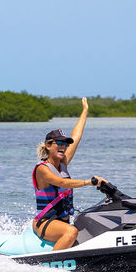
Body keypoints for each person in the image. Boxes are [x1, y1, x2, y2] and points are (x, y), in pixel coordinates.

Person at [32, 97, 107, 251]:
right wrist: (89, 182)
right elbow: (62, 183)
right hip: (46, 222)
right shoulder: (42, 169)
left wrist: (85, 111)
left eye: (65, 144)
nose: (63, 147)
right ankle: (51, 269)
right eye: (59, 143)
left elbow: (76, 136)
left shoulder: (62, 163)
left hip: (62, 221)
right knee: (72, 231)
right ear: (48, 145)